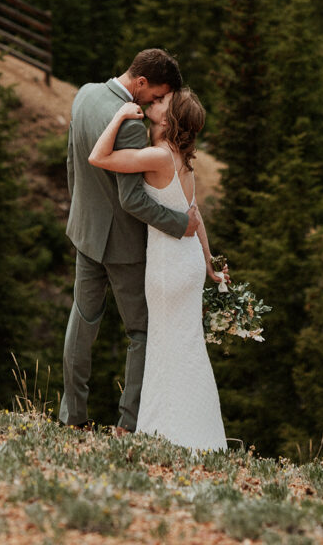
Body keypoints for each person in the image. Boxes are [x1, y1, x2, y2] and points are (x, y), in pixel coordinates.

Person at [59, 49, 201, 434]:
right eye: (156, 95)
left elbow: (73, 163)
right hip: (124, 247)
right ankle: (128, 424)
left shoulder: (85, 94)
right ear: (141, 83)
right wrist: (178, 224)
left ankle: (73, 418)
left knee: (83, 321)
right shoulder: (133, 125)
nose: (156, 103)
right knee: (139, 332)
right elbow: (132, 199)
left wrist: (80, 212)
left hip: (85, 234)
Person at [88, 86, 228, 452]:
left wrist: (118, 116)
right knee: (188, 348)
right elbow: (196, 219)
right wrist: (210, 266)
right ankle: (199, 435)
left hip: (167, 269)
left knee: (165, 348)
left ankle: (164, 431)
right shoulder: (183, 161)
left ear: (168, 120)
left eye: (163, 101)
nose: (154, 101)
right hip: (190, 268)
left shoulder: (158, 157)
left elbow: (98, 157)